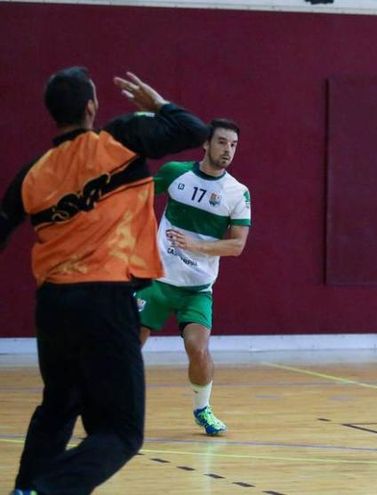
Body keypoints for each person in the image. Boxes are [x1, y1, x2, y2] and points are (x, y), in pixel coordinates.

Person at [0, 67, 209, 494]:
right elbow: (194, 130)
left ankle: (24, 490)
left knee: (59, 407)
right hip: (105, 297)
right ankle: (47, 489)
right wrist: (157, 105)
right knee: (122, 432)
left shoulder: (32, 174)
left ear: (52, 115)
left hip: (53, 307)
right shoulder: (120, 139)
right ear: (91, 107)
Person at [136, 118, 250, 436]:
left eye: (233, 145)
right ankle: (108, 407)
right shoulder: (176, 173)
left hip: (197, 288)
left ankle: (202, 408)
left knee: (198, 349)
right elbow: (138, 195)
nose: (228, 150)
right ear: (206, 143)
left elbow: (238, 245)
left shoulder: (237, 192)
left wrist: (196, 245)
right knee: (129, 346)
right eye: (222, 142)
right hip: (156, 280)